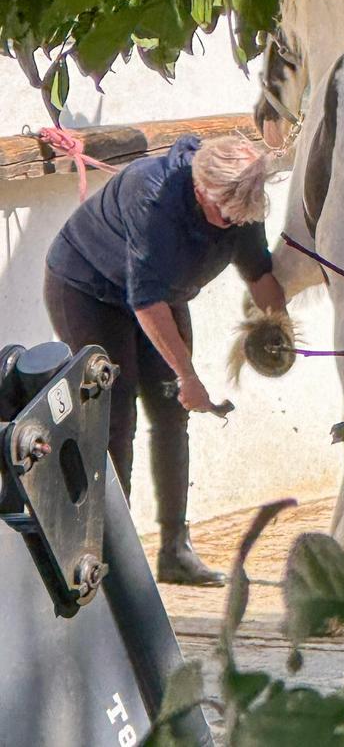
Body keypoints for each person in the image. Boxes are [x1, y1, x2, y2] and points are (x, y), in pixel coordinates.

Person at [44, 134, 286, 585]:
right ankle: (109, 555)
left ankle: (175, 550)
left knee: (172, 413)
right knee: (115, 420)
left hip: (161, 293)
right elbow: (146, 302)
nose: (233, 224)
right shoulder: (151, 194)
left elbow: (260, 274)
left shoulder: (240, 202)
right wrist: (188, 375)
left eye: (242, 219)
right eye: (224, 216)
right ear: (201, 190)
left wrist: (280, 327)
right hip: (87, 288)